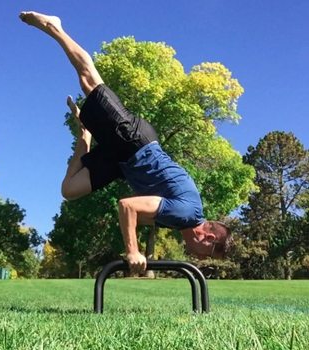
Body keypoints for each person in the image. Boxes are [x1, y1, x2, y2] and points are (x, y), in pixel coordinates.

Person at [19, 11, 233, 274]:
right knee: (89, 80)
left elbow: (132, 210)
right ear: (208, 238)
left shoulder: (179, 220)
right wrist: (133, 250)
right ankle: (54, 27)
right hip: (135, 144)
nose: (198, 258)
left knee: (70, 190)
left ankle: (84, 136)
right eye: (206, 255)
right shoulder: (186, 214)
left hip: (123, 163)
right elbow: (127, 205)